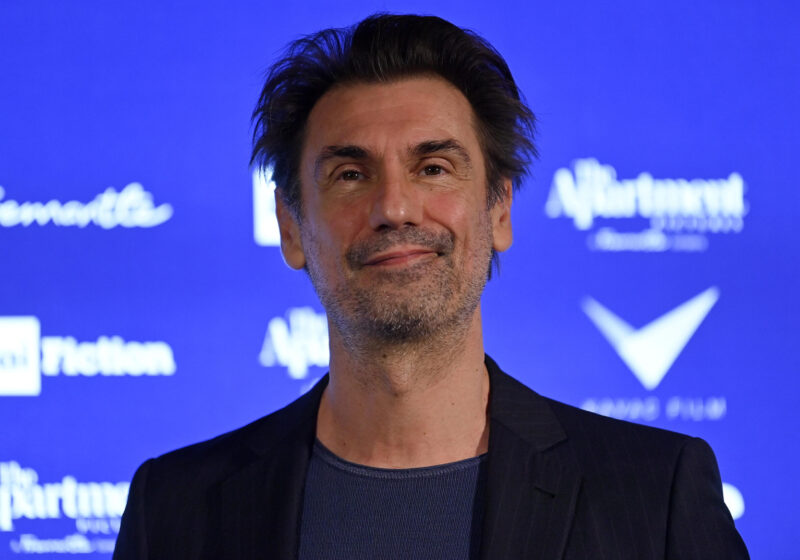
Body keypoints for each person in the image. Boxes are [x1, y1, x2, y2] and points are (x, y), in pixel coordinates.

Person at [114, 14, 749, 559]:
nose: (395, 207)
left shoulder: (654, 494)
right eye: (350, 174)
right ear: (290, 227)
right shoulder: (173, 510)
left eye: (434, 167)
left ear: (500, 208)